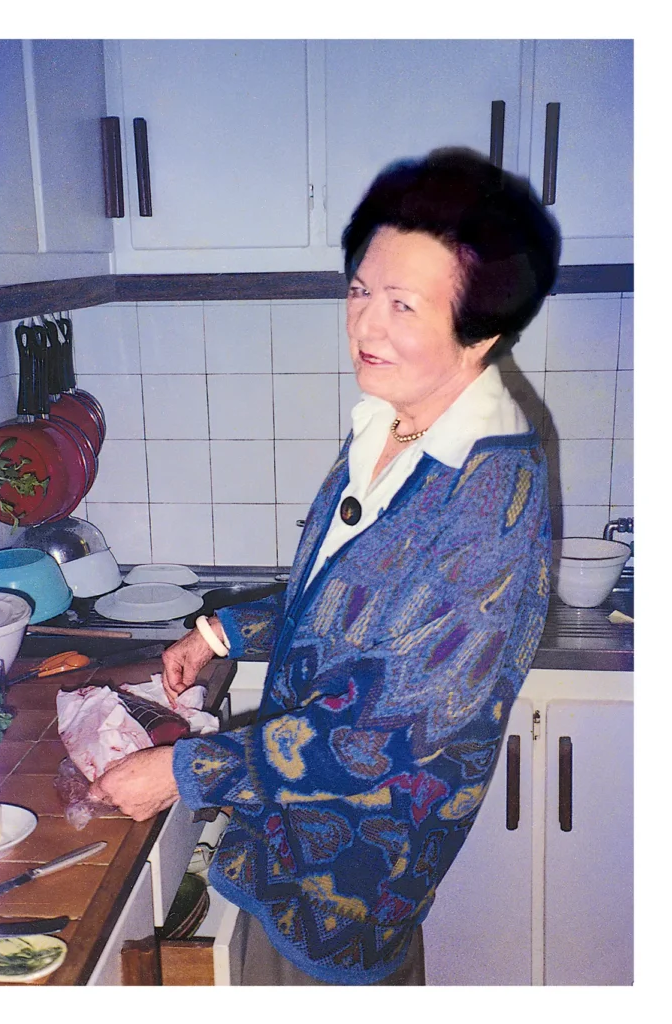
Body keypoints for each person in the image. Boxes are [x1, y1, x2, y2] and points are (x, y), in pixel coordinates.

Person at [89, 147, 560, 985]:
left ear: (479, 329)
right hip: (295, 840)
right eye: (358, 291)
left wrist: (183, 770)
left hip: (355, 875)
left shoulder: (491, 494)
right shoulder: (391, 425)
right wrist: (219, 631)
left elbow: (397, 736)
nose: (364, 325)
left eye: (402, 304)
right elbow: (344, 598)